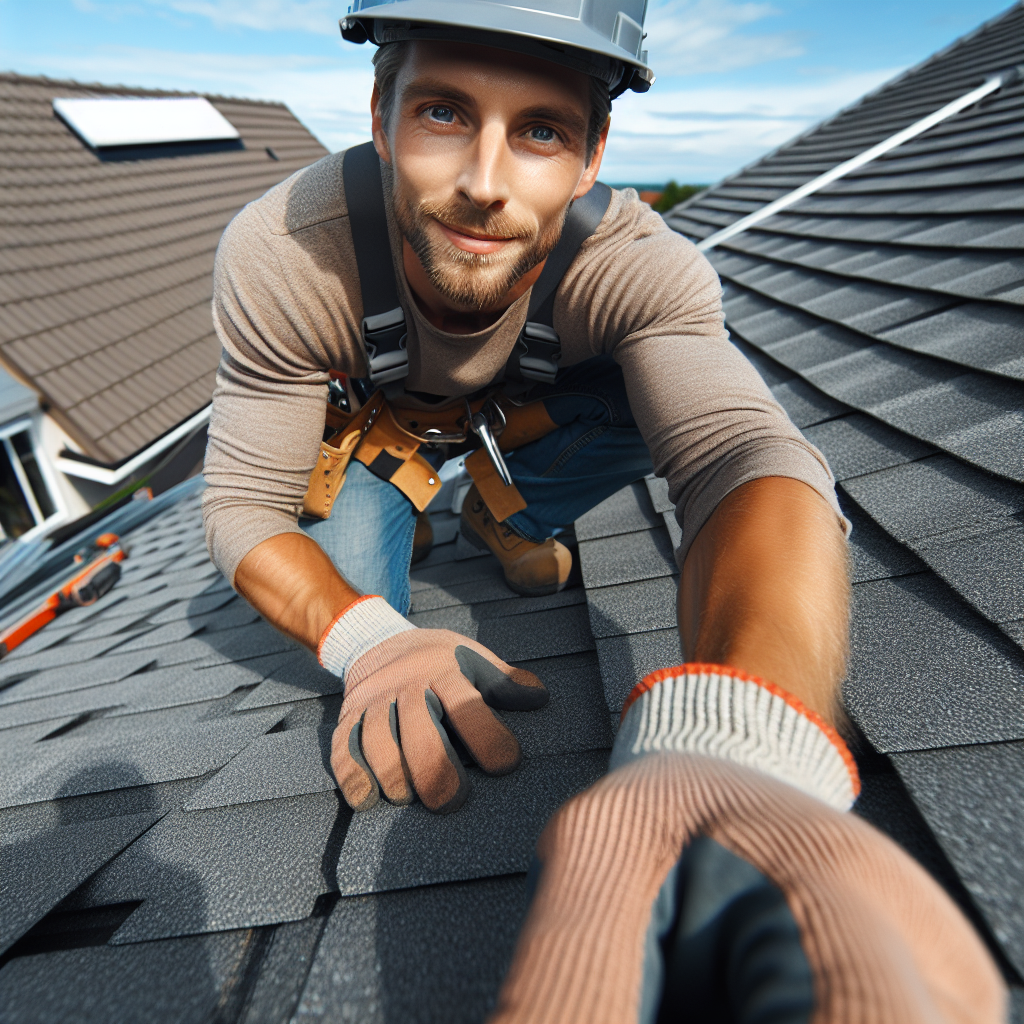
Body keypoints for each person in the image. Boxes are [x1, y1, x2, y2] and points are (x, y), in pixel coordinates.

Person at [202, 0, 851, 817]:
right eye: (443, 112)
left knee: (642, 390)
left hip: (511, 423)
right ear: (381, 118)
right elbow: (242, 505)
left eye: (542, 131)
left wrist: (754, 752)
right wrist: (370, 643)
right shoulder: (287, 253)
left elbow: (744, 458)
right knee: (352, 601)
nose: (483, 184)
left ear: (591, 159)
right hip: (371, 438)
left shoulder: (638, 268)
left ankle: (505, 510)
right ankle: (406, 493)